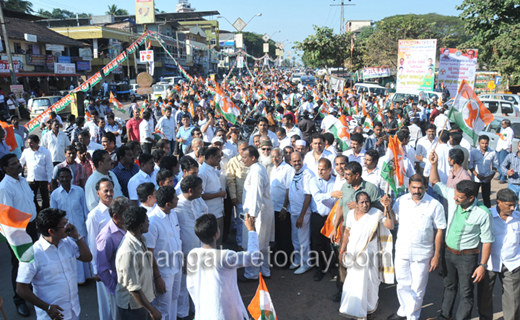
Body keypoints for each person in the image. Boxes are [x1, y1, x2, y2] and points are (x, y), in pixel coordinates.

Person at [429, 150, 494, 320]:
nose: (455, 200)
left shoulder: (483, 213)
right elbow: (435, 181)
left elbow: (487, 241)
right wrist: (434, 164)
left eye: (459, 198)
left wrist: (482, 265)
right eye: (455, 196)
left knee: (466, 293)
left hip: (468, 257)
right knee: (449, 286)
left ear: (471, 198)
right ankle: (444, 315)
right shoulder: (453, 195)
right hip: (449, 252)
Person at [385, 174, 446, 320]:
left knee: (418, 288)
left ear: (426, 187)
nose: (417, 191)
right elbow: (394, 221)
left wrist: (437, 255)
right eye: (414, 187)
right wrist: (387, 208)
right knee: (402, 283)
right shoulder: (401, 201)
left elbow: (439, 231)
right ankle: (403, 310)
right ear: (409, 187)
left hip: (423, 254)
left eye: (420, 188)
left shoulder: (435, 205)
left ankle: (413, 316)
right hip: (402, 250)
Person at [16, 208, 92, 320]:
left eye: (67, 222)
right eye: (64, 224)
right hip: (51, 316)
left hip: (73, 310)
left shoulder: (68, 243)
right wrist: (47, 307)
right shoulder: (32, 254)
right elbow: (21, 289)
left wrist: (77, 237)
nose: (68, 226)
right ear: (51, 231)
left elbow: (87, 258)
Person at [187, 213, 260, 320]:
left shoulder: (192, 254)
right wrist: (251, 230)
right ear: (216, 234)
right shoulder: (225, 256)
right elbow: (253, 257)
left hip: (203, 313)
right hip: (224, 314)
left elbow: (191, 286)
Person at [338, 192, 395, 319]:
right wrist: (342, 251)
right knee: (352, 282)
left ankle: (370, 308)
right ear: (356, 204)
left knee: (371, 282)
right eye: (362, 202)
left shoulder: (376, 213)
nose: (365, 205)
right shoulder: (351, 214)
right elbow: (347, 232)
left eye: (367, 201)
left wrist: (388, 208)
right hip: (353, 254)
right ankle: (351, 308)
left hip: (370, 254)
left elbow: (390, 225)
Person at [0, 153, 39, 317]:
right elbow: (7, 215)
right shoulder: (4, 187)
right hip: (17, 230)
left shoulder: (23, 180)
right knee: (19, 264)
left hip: (31, 227)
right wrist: (17, 238)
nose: (19, 165)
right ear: (5, 168)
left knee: (33, 261)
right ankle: (19, 300)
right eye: (14, 163)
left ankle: (31, 292)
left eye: (18, 162)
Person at [477, 188, 520, 320]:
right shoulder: (486, 216)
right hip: (488, 263)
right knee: (484, 296)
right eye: (509, 205)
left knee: (513, 299)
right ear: (499, 202)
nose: (513, 208)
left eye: (515, 204)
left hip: (512, 264)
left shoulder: (518, 218)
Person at [115, 206, 161, 320]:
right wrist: (152, 310)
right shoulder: (128, 252)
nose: (148, 222)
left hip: (142, 304)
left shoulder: (141, 240)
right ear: (140, 226)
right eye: (146, 220)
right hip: (133, 308)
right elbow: (134, 289)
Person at [145, 186, 182, 320]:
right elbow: (149, 253)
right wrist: (157, 277)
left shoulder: (173, 213)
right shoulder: (153, 222)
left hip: (176, 267)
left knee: (174, 300)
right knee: (162, 307)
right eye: (175, 198)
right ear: (168, 204)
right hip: (164, 273)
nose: (178, 199)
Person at [240, 145, 275, 280]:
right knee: (263, 244)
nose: (242, 160)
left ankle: (252, 274)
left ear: (253, 158)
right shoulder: (255, 169)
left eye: (244, 157)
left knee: (256, 243)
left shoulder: (256, 172)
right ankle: (264, 270)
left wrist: (252, 217)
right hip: (260, 212)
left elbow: (255, 195)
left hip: (257, 214)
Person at [50, 167, 90, 284]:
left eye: (67, 176)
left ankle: (85, 277)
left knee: (82, 251)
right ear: (58, 179)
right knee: (70, 255)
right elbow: (54, 214)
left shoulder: (79, 191)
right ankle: (74, 280)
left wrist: (87, 224)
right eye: (62, 177)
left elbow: (85, 210)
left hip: (80, 228)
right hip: (64, 231)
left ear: (71, 177)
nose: (65, 179)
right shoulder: (55, 194)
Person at [175, 175, 207, 319]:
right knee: (183, 286)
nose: (202, 190)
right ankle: (182, 314)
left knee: (199, 283)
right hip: (185, 252)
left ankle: (198, 311)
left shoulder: (198, 200)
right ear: (190, 190)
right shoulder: (177, 206)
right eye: (200, 188)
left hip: (200, 249)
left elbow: (206, 215)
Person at [86, 178, 118, 320]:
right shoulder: (94, 215)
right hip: (103, 265)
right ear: (98, 193)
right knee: (106, 302)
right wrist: (95, 269)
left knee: (118, 300)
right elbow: (92, 243)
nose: (109, 194)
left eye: (111, 190)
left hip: (117, 262)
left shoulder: (117, 210)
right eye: (106, 191)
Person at [280, 151, 315, 274]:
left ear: (303, 159)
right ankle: (297, 260)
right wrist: (286, 208)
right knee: (295, 238)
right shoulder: (292, 173)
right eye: (294, 161)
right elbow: (289, 191)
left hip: (303, 213)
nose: (297, 163)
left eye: (298, 160)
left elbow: (308, 196)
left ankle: (306, 263)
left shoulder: (307, 174)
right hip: (293, 211)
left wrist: (301, 215)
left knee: (303, 239)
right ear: (290, 162)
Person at [96, 197, 130, 320]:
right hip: (118, 286)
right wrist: (114, 290)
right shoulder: (106, 237)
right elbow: (102, 269)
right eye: (126, 213)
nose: (129, 215)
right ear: (116, 217)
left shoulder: (126, 226)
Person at [309, 158, 336, 281]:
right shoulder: (314, 181)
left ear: (330, 169)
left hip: (331, 218)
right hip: (318, 217)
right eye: (319, 169)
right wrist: (331, 194)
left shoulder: (336, 181)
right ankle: (319, 269)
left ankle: (332, 268)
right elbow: (317, 196)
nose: (320, 171)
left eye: (323, 169)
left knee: (330, 244)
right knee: (318, 244)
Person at [270, 147, 295, 267]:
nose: (274, 159)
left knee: (285, 235)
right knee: (277, 235)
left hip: (283, 208)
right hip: (273, 207)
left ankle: (286, 261)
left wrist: (284, 208)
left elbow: (288, 190)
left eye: (277, 156)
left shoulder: (288, 169)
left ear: (282, 157)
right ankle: (279, 258)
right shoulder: (273, 169)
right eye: (272, 157)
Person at [199, 147, 226, 247]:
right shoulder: (203, 172)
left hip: (218, 212)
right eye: (218, 157)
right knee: (212, 245)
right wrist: (219, 194)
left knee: (218, 242)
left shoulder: (212, 169)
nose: (220, 159)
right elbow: (200, 195)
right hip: (211, 213)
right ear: (211, 157)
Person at [20, 134, 53, 212]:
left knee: (45, 197)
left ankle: (45, 212)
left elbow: (49, 166)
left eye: (31, 143)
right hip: (31, 179)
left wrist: (49, 180)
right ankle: (36, 211)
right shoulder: (26, 151)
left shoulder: (45, 152)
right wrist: (19, 176)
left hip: (43, 178)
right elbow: (21, 163)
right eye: (28, 143)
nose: (29, 145)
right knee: (31, 197)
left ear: (37, 142)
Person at [225, 141, 249, 247]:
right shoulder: (233, 161)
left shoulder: (251, 160)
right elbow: (231, 180)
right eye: (242, 149)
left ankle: (249, 242)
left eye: (246, 148)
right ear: (238, 150)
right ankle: (240, 242)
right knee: (241, 221)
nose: (244, 151)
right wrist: (233, 196)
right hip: (239, 197)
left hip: (251, 197)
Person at [469, 135, 498, 208]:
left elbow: (495, 165)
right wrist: (477, 175)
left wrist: (491, 177)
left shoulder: (492, 152)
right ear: (479, 143)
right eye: (482, 143)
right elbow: (470, 165)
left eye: (486, 143)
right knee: (474, 196)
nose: (484, 145)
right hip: (476, 178)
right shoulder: (473, 152)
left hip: (487, 179)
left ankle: (488, 212)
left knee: (486, 197)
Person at [496, 119, 514, 184]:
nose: (501, 125)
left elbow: (509, 141)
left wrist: (505, 148)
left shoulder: (510, 131)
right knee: (498, 163)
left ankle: (503, 178)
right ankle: (500, 174)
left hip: (504, 149)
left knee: (503, 164)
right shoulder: (503, 130)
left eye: (503, 124)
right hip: (499, 148)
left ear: (507, 124)